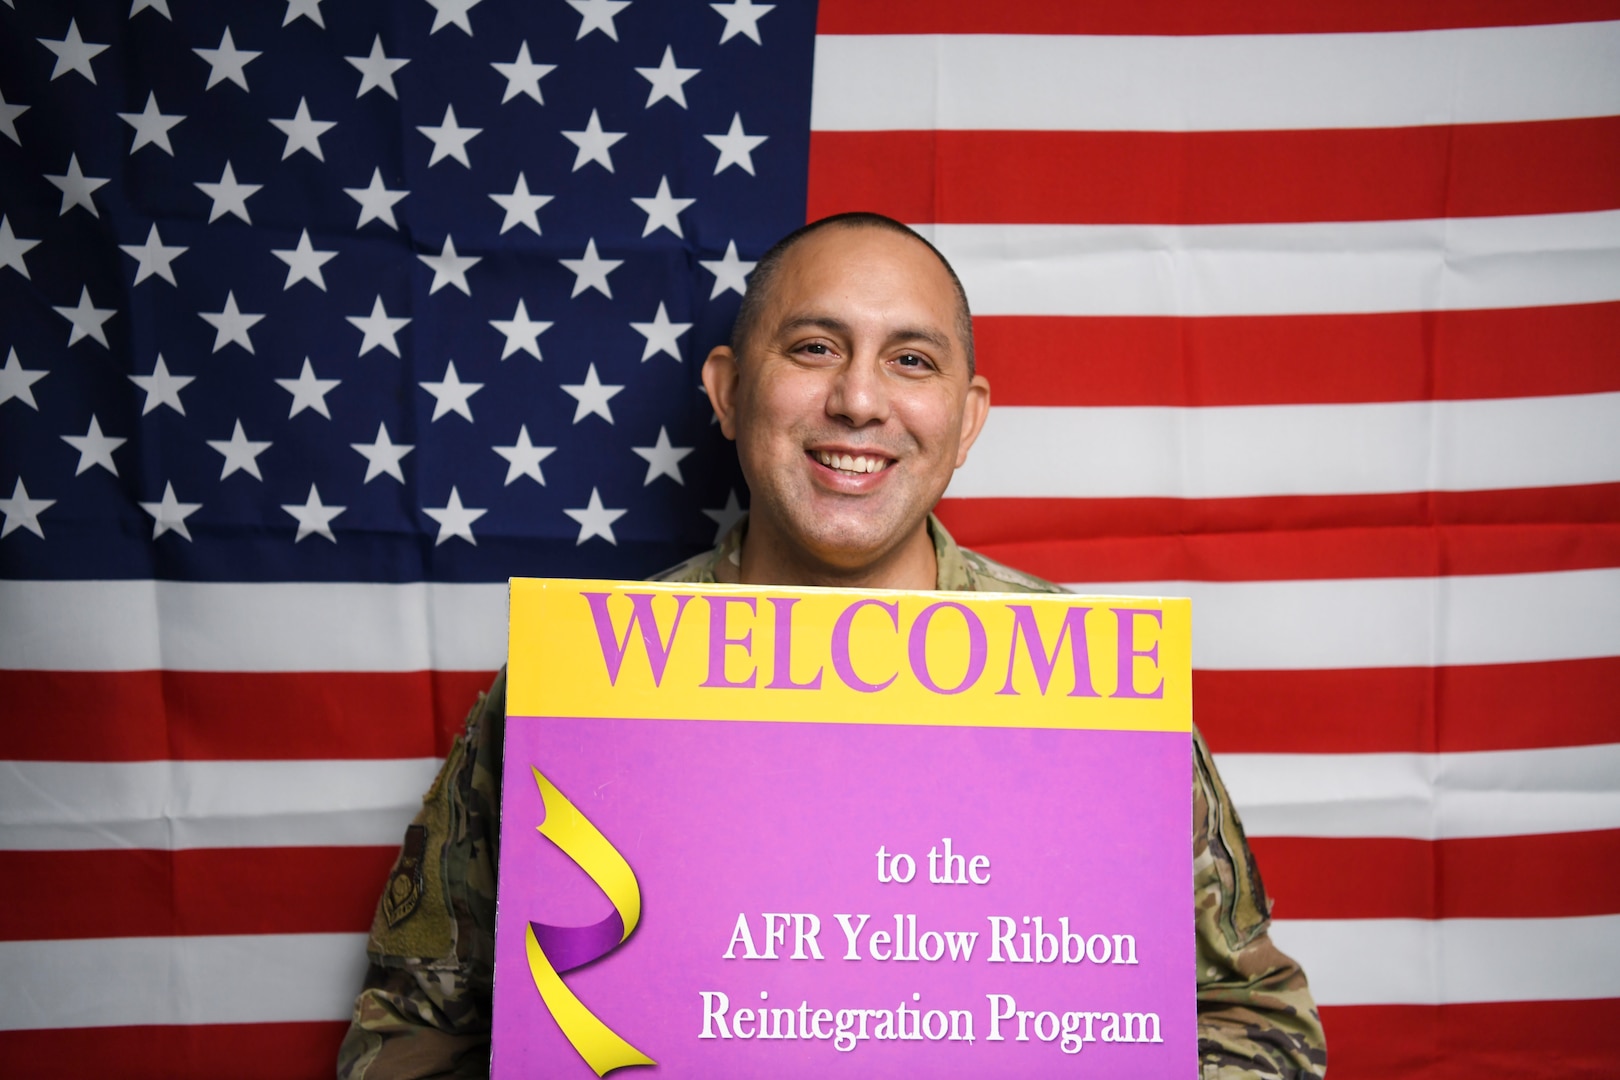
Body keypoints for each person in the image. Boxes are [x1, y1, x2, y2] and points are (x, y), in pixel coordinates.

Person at [337, 213, 1328, 1079]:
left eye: (911, 360)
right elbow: (414, 1025)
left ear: (968, 418)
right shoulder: (577, 687)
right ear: (727, 392)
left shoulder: (1086, 686)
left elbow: (1258, 1020)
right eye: (814, 348)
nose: (860, 401)